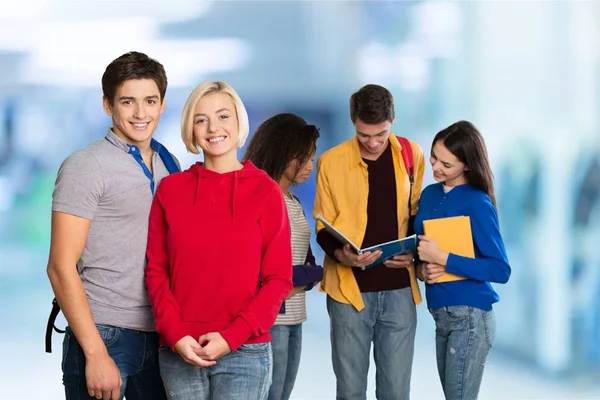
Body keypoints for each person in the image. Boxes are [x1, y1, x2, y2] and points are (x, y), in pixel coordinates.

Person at [145, 81, 293, 400]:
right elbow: (157, 272)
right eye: (202, 119)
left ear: (239, 122)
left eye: (223, 116)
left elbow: (278, 279)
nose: (214, 128)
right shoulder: (171, 191)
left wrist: (231, 337)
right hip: (179, 349)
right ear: (191, 129)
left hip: (245, 352)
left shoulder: (265, 191)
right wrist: (175, 335)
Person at [46, 51, 179, 400]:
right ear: (108, 105)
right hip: (105, 334)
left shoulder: (170, 163)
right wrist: (95, 353)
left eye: (150, 101)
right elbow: (61, 266)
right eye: (127, 101)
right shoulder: (86, 166)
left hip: (163, 335)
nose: (140, 113)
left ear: (162, 104)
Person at [313, 84, 425, 400]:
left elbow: (418, 216)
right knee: (350, 392)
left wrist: (413, 254)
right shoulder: (331, 162)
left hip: (399, 292)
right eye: (365, 136)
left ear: (392, 120)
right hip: (349, 294)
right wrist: (344, 256)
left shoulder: (411, 155)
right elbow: (323, 226)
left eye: (382, 134)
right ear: (353, 123)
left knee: (396, 392)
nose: (374, 143)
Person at [414, 120, 511, 400]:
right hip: (441, 317)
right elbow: (419, 249)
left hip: (470, 318)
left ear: (467, 165)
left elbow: (500, 269)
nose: (436, 167)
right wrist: (422, 270)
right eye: (434, 157)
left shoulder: (477, 203)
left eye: (447, 164)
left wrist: (444, 258)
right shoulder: (429, 195)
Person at [243, 113, 324, 400]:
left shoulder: (293, 200)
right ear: (284, 154)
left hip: (294, 317)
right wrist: (312, 274)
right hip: (270, 320)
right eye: (305, 159)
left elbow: (306, 262)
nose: (309, 167)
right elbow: (267, 273)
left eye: (312, 159)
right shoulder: (260, 197)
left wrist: (308, 274)